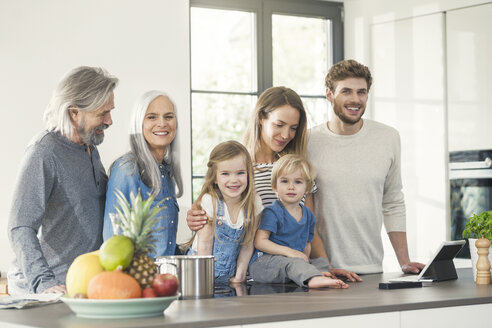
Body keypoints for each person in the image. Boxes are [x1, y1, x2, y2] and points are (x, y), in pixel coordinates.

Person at [187, 86, 361, 282]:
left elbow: (309, 230)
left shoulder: (296, 169)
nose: (286, 135)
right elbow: (208, 214)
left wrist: (326, 267)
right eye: (279, 124)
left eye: (293, 128)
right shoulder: (239, 169)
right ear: (261, 118)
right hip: (252, 269)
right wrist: (195, 217)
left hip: (291, 267)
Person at [7, 66, 118, 294]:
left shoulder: (89, 147)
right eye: (102, 114)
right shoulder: (43, 152)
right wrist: (44, 283)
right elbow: (20, 226)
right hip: (48, 290)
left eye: (110, 111)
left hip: (80, 287)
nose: (110, 120)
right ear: (74, 112)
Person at [308, 59, 425, 274]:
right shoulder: (308, 141)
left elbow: (393, 201)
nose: (355, 99)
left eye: (361, 92)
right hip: (321, 272)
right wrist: (323, 266)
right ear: (329, 94)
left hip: (371, 269)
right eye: (346, 91)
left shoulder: (388, 137)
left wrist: (404, 261)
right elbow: (302, 209)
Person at [103, 90, 183, 257]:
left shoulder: (167, 172)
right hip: (137, 279)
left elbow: (163, 244)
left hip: (163, 279)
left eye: (168, 116)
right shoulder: (127, 169)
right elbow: (114, 241)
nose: (162, 123)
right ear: (138, 123)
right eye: (152, 117)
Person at [249, 154, 348, 289]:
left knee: (319, 262)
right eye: (285, 181)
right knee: (293, 264)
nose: (291, 187)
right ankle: (312, 278)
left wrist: (304, 261)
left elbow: (306, 245)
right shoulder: (272, 212)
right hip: (264, 264)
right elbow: (260, 242)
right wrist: (290, 252)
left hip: (291, 263)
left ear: (307, 188)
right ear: (275, 187)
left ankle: (314, 273)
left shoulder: (308, 215)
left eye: (298, 182)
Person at [187, 141, 262, 284]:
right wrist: (204, 281)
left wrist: (239, 277)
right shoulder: (210, 202)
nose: (233, 180)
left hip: (229, 277)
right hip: (199, 273)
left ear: (248, 174)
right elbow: (205, 244)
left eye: (240, 173)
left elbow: (247, 245)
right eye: (225, 174)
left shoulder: (254, 204)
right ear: (215, 177)